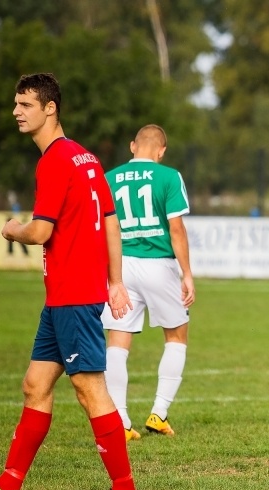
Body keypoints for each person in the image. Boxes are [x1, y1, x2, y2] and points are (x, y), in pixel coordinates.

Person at [0, 73, 141, 490]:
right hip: (64, 298)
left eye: (26, 104)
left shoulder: (54, 160)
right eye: (16, 104)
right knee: (35, 386)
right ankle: (7, 488)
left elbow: (40, 231)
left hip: (74, 296)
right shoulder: (86, 158)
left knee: (90, 389)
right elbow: (111, 222)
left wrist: (12, 229)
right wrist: (114, 282)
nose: (16, 111)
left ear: (50, 108)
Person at [101, 124, 195, 441]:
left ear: (133, 146)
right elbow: (176, 229)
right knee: (176, 336)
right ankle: (159, 413)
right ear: (161, 150)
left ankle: (120, 420)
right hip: (159, 265)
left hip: (121, 266)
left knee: (117, 341)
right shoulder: (169, 176)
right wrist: (187, 273)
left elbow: (104, 227)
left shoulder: (110, 178)